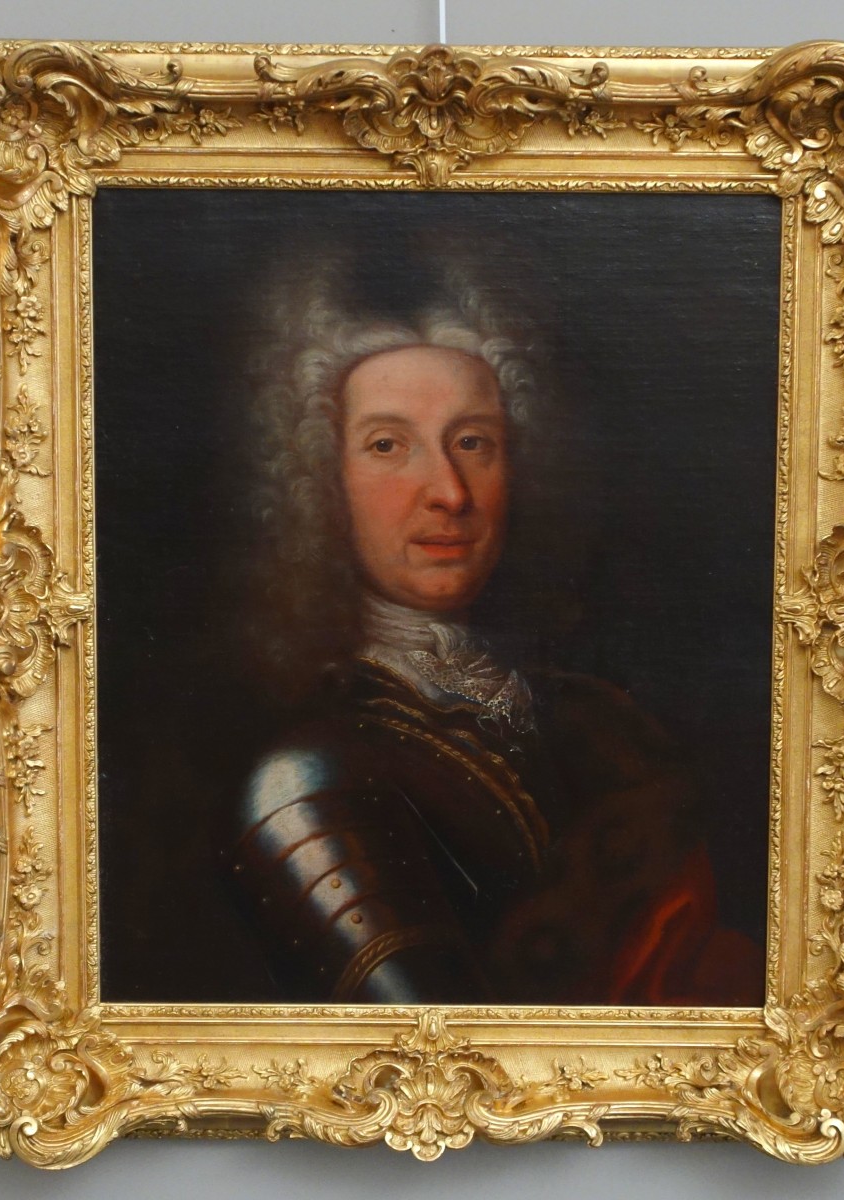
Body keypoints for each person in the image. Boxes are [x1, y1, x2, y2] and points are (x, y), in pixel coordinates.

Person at [231, 272, 762, 1006]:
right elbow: (443, 1049)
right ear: (324, 483)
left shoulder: (597, 717)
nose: (450, 492)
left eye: (473, 442)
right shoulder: (305, 781)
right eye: (388, 445)